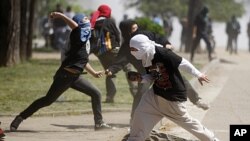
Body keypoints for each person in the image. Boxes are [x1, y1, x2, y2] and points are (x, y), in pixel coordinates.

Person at [10, 12, 112, 131]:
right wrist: (61, 16)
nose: (88, 21)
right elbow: (76, 27)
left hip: (75, 77)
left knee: (96, 93)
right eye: (85, 19)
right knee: (47, 100)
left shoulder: (85, 39)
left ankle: (99, 123)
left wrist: (93, 72)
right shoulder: (76, 34)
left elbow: (83, 60)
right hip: (64, 76)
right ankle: (20, 117)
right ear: (79, 23)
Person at [126, 34, 219, 141]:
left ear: (142, 46)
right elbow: (153, 76)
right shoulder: (146, 56)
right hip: (155, 96)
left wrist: (198, 74)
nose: (132, 52)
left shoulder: (163, 53)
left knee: (191, 124)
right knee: (140, 116)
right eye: (131, 49)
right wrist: (140, 78)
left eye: (134, 49)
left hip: (172, 99)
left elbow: (182, 62)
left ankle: (213, 140)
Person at [89, 4, 121, 103]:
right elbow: (117, 34)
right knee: (127, 67)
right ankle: (137, 93)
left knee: (109, 72)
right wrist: (118, 45)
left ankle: (109, 97)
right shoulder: (109, 21)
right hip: (112, 50)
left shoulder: (92, 22)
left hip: (100, 53)